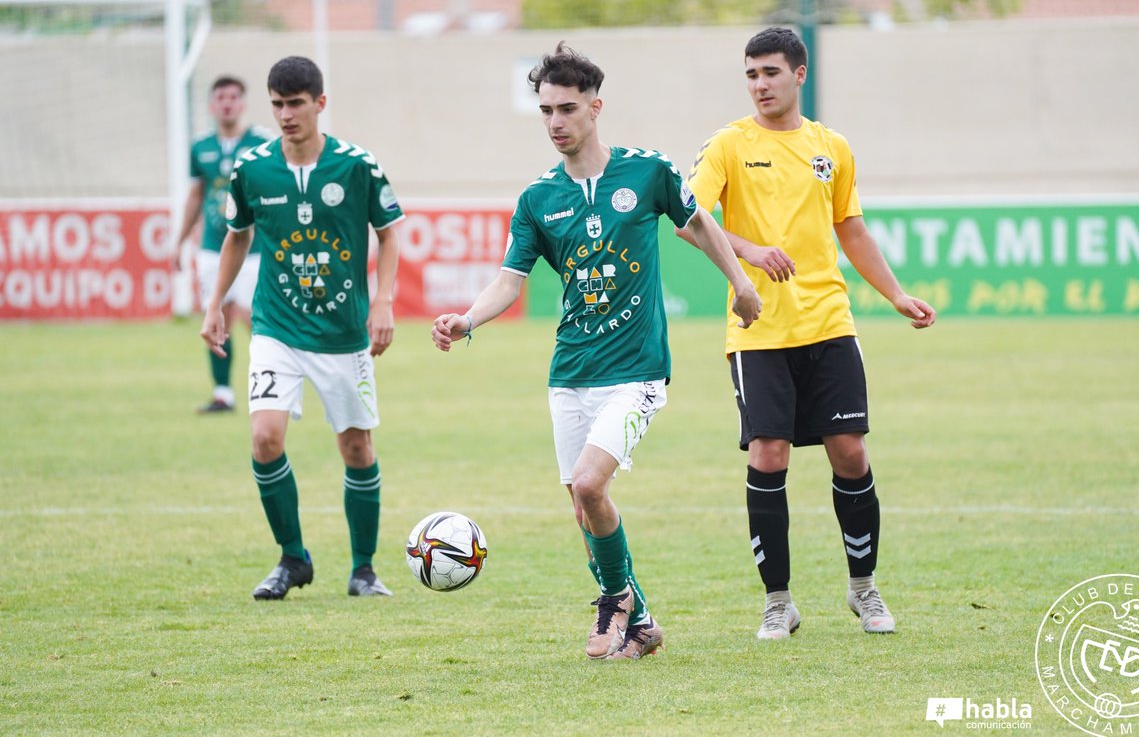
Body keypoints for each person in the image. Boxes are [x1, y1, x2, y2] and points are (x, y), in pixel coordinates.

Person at [431, 43, 761, 660]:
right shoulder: (538, 199)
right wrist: (466, 319)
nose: (555, 122)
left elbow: (698, 224)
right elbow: (509, 282)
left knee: (589, 485)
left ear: (595, 108)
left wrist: (741, 283)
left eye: (566, 109)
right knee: (585, 511)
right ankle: (643, 624)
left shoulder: (648, 171)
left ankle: (613, 602)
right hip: (570, 372)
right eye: (546, 111)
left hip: (636, 371)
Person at [680, 26, 936, 638]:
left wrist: (896, 294)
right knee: (769, 454)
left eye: (770, 72)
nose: (759, 85)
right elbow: (689, 218)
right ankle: (779, 602)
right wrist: (749, 250)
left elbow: (852, 228)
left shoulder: (832, 147)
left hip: (829, 322)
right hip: (758, 330)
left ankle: (864, 589)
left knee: (850, 452)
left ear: (799, 74)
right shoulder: (728, 144)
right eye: (750, 74)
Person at [201, 56, 405, 600]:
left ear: (320, 103)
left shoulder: (356, 165)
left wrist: (383, 301)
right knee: (264, 437)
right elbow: (237, 237)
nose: (286, 114)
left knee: (356, 448)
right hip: (276, 327)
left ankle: (363, 570)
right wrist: (215, 304)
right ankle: (293, 558)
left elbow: (389, 232)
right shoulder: (252, 169)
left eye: (296, 103)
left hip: (342, 333)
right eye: (278, 104)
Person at [171, 76, 273, 413]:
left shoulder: (262, 143)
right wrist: (179, 242)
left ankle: (273, 385)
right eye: (221, 97)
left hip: (255, 249)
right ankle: (223, 393)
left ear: (243, 103)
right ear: (212, 105)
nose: (227, 103)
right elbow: (196, 197)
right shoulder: (200, 147)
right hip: (213, 247)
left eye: (233, 97)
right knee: (218, 318)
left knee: (256, 319)